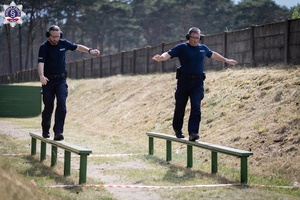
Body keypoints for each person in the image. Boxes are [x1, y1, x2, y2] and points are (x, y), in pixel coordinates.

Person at [152, 27, 237, 141]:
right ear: (188, 37)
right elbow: (168, 53)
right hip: (184, 82)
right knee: (180, 107)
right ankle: (177, 129)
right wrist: (161, 58)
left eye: (198, 38)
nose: (196, 40)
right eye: (193, 38)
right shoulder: (182, 47)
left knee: (196, 107)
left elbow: (213, 54)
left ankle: (193, 132)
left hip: (197, 83)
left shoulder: (203, 48)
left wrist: (226, 60)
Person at [37, 25, 100, 140]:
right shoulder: (44, 47)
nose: (55, 39)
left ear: (60, 35)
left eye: (58, 36)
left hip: (61, 80)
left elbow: (78, 47)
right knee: (49, 106)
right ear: (48, 35)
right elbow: (41, 63)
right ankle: (45, 129)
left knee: (62, 103)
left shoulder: (63, 43)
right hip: (48, 81)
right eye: (53, 37)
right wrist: (41, 76)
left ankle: (58, 132)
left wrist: (90, 51)